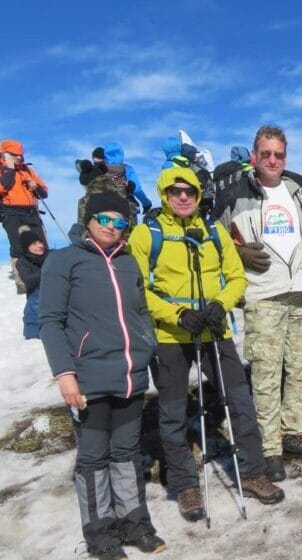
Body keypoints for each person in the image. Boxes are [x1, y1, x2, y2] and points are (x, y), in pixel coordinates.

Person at [130, 167, 284, 522]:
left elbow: (235, 277)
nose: (182, 197)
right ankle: (185, 485)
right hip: (170, 337)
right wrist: (177, 315)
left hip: (215, 331)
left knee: (240, 403)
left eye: (189, 191)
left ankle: (253, 472)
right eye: (175, 191)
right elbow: (139, 290)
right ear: (164, 194)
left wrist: (220, 305)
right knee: (171, 415)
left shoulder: (213, 230)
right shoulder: (146, 234)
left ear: (198, 195)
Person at [39, 193, 165, 559]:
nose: (112, 226)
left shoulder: (128, 263)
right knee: (94, 458)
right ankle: (100, 535)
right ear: (89, 220)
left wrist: (146, 350)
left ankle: (134, 522)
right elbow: (51, 321)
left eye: (119, 221)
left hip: (129, 375)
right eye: (104, 219)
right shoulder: (65, 261)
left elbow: (140, 313)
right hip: (88, 379)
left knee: (126, 452)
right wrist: (65, 373)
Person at [213, 125, 302, 482]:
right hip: (264, 293)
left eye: (278, 154)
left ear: (285, 156)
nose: (272, 160)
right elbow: (214, 239)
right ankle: (270, 448)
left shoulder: (299, 192)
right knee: (266, 373)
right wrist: (237, 251)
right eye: (265, 154)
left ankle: (295, 432)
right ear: (255, 156)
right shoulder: (236, 194)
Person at [1, 139, 48, 292]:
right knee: (18, 246)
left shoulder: (27, 170)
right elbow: (2, 187)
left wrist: (36, 187)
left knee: (41, 244)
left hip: (31, 211)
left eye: (20, 155)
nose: (19, 158)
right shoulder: (3, 170)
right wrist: (9, 169)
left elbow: (44, 193)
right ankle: (22, 280)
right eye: (15, 155)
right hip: (10, 212)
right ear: (5, 154)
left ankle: (47, 275)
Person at [104, 141, 153, 218]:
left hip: (106, 211)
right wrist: (146, 204)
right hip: (127, 209)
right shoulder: (128, 169)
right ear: (121, 154)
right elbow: (137, 190)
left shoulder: (100, 170)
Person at [17, 230, 47, 340]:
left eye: (40, 242)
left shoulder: (51, 256)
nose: (40, 246)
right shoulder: (22, 262)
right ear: (26, 247)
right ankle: (34, 332)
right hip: (36, 305)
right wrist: (47, 270)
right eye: (34, 243)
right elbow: (29, 280)